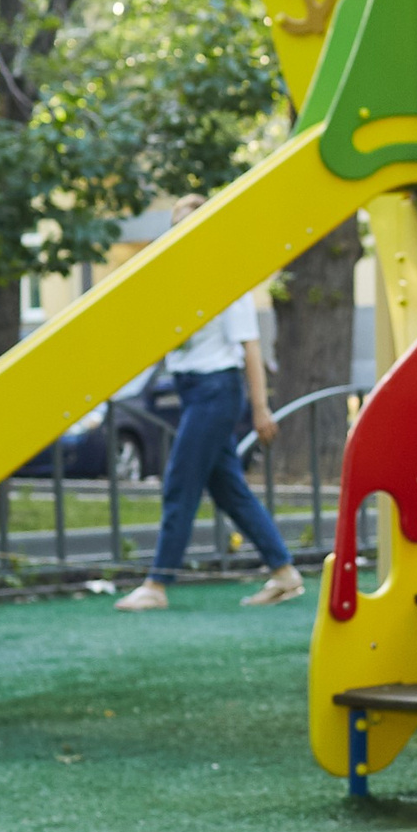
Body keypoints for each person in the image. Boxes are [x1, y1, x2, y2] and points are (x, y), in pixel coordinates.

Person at [113, 192, 300, 611]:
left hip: (217, 390)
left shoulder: (225, 279)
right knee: (229, 489)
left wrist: (260, 408)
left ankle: (157, 584)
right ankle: (284, 572)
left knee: (180, 480)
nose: (181, 232)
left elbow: (250, 347)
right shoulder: (179, 282)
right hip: (192, 390)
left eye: (190, 224)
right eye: (176, 225)